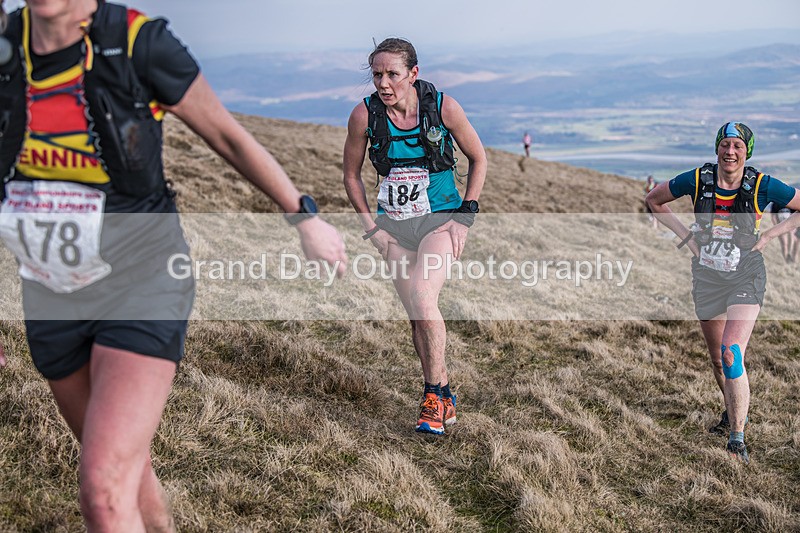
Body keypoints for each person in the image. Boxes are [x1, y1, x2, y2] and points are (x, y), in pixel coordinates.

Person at [0, 1, 346, 530]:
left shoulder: (140, 43)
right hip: (50, 296)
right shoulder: (7, 50)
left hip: (143, 282)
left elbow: (227, 134)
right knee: (122, 471)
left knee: (101, 489)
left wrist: (304, 217)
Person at [343, 38, 487, 435]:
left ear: (413, 73)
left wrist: (465, 216)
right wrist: (371, 227)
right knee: (416, 315)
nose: (384, 83)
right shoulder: (364, 116)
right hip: (394, 228)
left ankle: (432, 397)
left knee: (425, 299)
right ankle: (444, 394)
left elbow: (479, 158)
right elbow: (350, 176)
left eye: (392, 74)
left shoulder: (443, 107)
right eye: (377, 75)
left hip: (440, 222)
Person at [646, 122, 800, 464]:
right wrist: (687, 239)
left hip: (746, 275)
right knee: (717, 359)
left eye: (738, 146)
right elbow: (654, 199)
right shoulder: (698, 180)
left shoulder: (761, 184)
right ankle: (731, 411)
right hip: (707, 277)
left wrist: (772, 236)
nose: (731, 152)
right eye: (725, 145)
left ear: (747, 151)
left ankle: (737, 440)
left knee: (731, 353)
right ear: (717, 147)